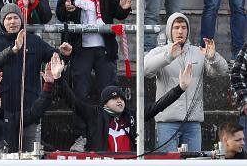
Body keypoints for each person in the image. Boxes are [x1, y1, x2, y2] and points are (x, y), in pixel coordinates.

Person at [0, 3, 65, 149]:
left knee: (29, 154)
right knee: (5, 153)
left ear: (21, 20)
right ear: (2, 21)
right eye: (9, 18)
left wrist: (64, 54)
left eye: (16, 18)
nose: (12, 22)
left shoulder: (34, 41)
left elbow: (54, 57)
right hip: (2, 113)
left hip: (29, 109)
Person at [53, 54, 192, 152]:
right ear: (105, 103)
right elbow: (73, 101)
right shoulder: (94, 115)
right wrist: (58, 78)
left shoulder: (131, 116)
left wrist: (180, 88)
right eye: (114, 99)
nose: (120, 101)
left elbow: (158, 105)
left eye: (122, 99)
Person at [56, 0, 132, 104]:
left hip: (104, 46)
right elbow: (60, 13)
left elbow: (118, 14)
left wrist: (124, 8)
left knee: (109, 92)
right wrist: (68, 10)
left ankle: (109, 122)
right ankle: (81, 122)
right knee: (80, 93)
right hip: (79, 47)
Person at [145, 13, 229, 155]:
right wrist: (168, 56)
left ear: (188, 31)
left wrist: (213, 57)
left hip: (193, 122)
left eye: (184, 27)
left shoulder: (198, 52)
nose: (180, 31)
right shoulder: (160, 51)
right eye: (176, 27)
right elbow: (145, 70)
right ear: (169, 30)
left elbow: (222, 70)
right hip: (167, 122)